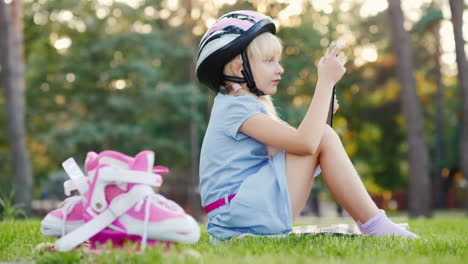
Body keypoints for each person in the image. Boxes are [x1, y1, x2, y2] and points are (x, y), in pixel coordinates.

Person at [196, 10, 417, 242]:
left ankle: (376, 223)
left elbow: (292, 147)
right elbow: (305, 143)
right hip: (238, 211)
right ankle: (376, 225)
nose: (279, 68)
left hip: (242, 209)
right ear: (238, 69)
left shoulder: (240, 106)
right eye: (269, 61)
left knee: (322, 134)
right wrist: (325, 82)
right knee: (321, 135)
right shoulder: (235, 108)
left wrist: (322, 113)